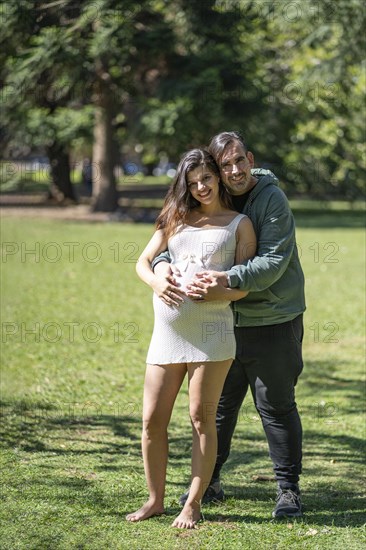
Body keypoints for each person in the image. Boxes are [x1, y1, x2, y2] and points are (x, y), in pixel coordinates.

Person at [152, 132, 306, 518]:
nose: (234, 170)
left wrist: (228, 280)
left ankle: (288, 490)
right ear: (216, 171)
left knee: (276, 407)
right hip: (220, 322)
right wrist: (160, 267)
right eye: (226, 165)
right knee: (217, 407)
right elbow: (171, 243)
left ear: (250, 158)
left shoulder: (271, 199)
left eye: (240, 160)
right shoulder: (209, 196)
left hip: (271, 318)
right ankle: (209, 482)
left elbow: (273, 261)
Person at [126, 149, 256, 529]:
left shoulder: (239, 224)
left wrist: (217, 292)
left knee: (201, 418)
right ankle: (155, 500)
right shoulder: (174, 218)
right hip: (167, 332)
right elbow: (142, 262)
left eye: (207, 179)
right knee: (151, 420)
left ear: (218, 178)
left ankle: (193, 503)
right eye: (193, 181)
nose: (201, 187)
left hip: (212, 334)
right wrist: (157, 280)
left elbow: (243, 286)